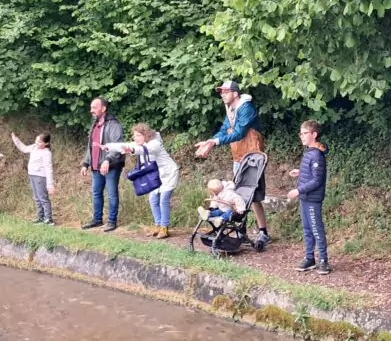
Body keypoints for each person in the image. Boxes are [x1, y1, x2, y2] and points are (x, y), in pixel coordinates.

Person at [194, 80, 270, 246]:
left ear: (235, 93)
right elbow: (224, 130)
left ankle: (263, 232)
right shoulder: (231, 110)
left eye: (226, 91)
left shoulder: (246, 108)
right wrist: (210, 142)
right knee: (238, 193)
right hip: (238, 157)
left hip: (253, 158)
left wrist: (215, 143)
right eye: (221, 92)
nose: (222, 94)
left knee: (253, 196)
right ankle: (241, 231)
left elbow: (239, 133)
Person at [101, 123, 180, 239]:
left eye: (138, 135)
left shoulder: (155, 143)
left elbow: (144, 150)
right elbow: (125, 145)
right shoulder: (139, 144)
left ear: (146, 135)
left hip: (169, 174)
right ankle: (158, 225)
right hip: (156, 176)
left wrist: (132, 149)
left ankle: (164, 228)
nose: (135, 138)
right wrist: (109, 146)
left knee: (163, 200)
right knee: (153, 199)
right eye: (134, 135)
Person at [287, 120, 330, 275]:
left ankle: (323, 260)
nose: (302, 136)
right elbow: (311, 173)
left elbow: (317, 181)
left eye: (305, 133)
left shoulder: (317, 155)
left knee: (316, 229)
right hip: (305, 198)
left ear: (314, 134)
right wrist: (300, 172)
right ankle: (309, 258)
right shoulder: (310, 152)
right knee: (307, 229)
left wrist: (297, 190)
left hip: (312, 199)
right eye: (301, 133)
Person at [80, 97, 125, 232]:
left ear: (103, 108)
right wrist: (85, 163)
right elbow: (91, 147)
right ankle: (97, 220)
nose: (91, 110)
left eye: (94, 107)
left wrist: (107, 160)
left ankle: (112, 221)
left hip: (111, 166)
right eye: (91, 107)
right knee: (96, 193)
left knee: (111, 194)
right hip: (96, 166)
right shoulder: (94, 125)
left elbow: (118, 145)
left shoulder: (114, 125)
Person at [11, 131, 55, 225]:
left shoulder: (46, 153)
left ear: (46, 143)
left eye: (39, 142)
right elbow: (24, 148)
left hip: (41, 177)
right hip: (32, 175)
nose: (37, 143)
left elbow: (49, 168)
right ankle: (40, 217)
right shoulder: (34, 147)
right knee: (36, 197)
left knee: (43, 198)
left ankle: (48, 218)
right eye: (36, 140)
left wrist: (50, 184)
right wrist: (15, 139)